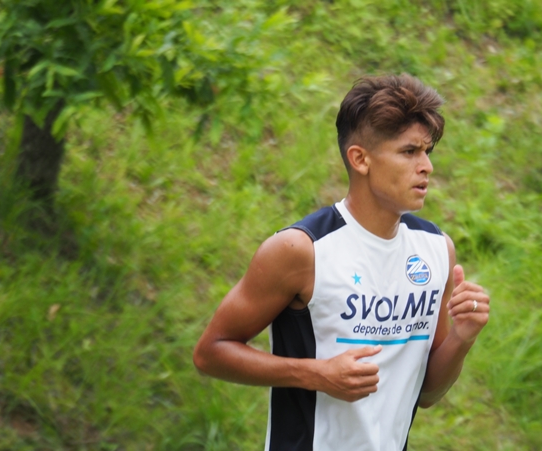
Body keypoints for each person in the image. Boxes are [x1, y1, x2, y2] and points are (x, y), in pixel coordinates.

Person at [193, 74, 490, 451]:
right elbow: (210, 353)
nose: (426, 166)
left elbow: (428, 392)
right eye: (409, 152)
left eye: (427, 151)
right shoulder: (301, 250)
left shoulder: (436, 250)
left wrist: (463, 337)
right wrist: (315, 374)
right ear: (360, 159)